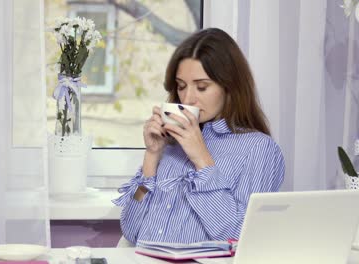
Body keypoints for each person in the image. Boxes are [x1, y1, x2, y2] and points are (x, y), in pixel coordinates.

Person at [112, 28, 285, 245]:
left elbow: (242, 237)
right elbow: (131, 230)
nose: (188, 98)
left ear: (230, 87)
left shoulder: (259, 149)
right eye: (182, 86)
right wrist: (151, 158)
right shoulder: (170, 145)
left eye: (201, 87)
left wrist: (202, 160)